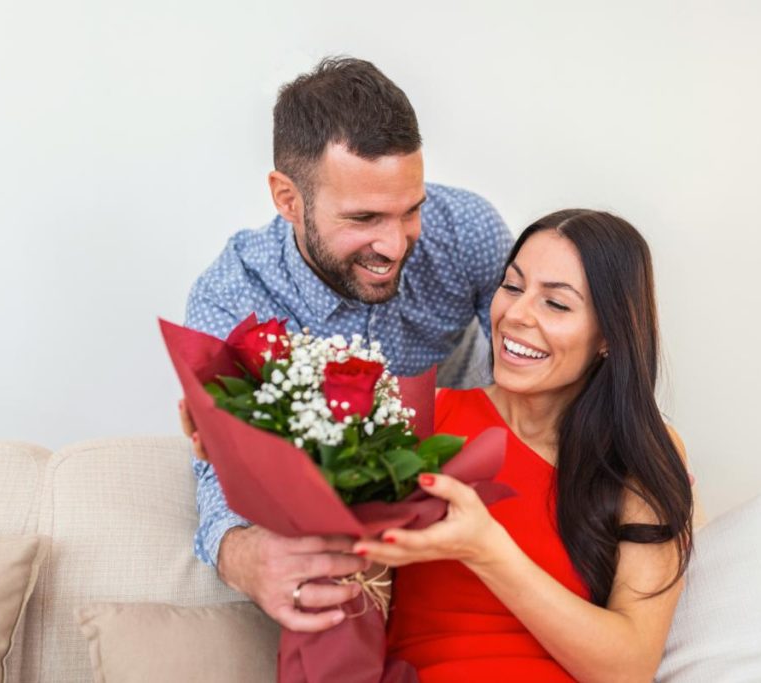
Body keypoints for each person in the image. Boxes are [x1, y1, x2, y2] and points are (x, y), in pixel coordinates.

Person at [181, 56, 514, 633]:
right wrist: (238, 555)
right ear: (288, 199)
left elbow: (537, 363)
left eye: (411, 209)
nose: (394, 243)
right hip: (342, 527)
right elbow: (221, 469)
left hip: (465, 491)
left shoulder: (467, 230)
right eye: (364, 218)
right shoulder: (230, 298)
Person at [353, 209, 695, 681]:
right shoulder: (420, 417)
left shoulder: (642, 450)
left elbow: (628, 668)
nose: (515, 314)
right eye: (512, 287)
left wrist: (487, 550)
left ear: (609, 337)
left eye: (556, 304)